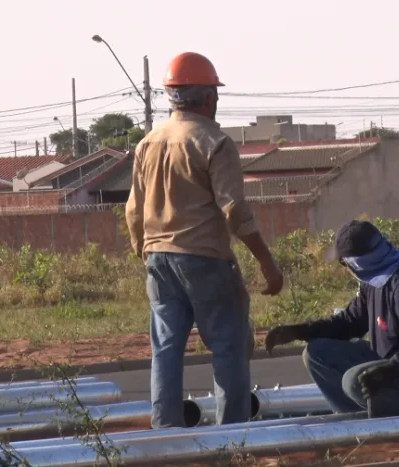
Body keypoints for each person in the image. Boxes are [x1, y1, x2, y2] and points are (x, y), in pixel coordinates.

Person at [125, 52, 284, 429]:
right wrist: (266, 262)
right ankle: (231, 438)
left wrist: (144, 252)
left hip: (158, 259)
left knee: (165, 349)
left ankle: (166, 434)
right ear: (209, 96)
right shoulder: (214, 142)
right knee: (229, 345)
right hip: (205, 259)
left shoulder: (148, 143)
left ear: (171, 96)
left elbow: (133, 210)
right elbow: (234, 210)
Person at [264, 220, 399, 418]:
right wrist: (300, 331)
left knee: (353, 381)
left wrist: (392, 368)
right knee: (316, 354)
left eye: (344, 262)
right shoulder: (374, 279)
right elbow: (348, 323)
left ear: (356, 263)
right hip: (396, 367)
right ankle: (356, 423)